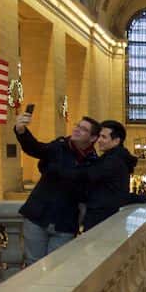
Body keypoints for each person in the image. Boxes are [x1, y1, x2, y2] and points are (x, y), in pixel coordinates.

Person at [14, 112, 100, 262]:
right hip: (38, 216)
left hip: (65, 223)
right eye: (77, 126)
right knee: (33, 265)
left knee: (57, 267)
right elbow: (36, 148)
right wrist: (21, 131)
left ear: (93, 138)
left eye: (83, 129)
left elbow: (87, 195)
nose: (77, 129)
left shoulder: (94, 163)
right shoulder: (59, 147)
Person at [47, 120, 138, 230]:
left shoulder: (112, 161)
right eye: (99, 136)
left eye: (104, 137)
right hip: (106, 219)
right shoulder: (116, 158)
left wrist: (56, 170)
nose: (98, 140)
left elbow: (85, 175)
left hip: (103, 222)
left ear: (116, 141)